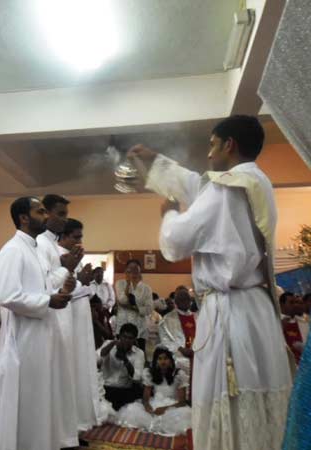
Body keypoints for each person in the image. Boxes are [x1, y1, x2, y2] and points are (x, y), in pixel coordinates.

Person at [128, 115, 291, 450]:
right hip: (256, 309)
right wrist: (156, 161)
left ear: (229, 144)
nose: (208, 153)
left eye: (213, 145)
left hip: (229, 314)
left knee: (229, 396)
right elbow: (197, 185)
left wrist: (168, 215)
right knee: (257, 397)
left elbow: (177, 241)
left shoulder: (227, 187)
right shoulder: (256, 181)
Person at [0, 196, 72, 450]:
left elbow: (43, 286)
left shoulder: (35, 250)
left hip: (41, 336)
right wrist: (48, 301)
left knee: (41, 401)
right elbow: (7, 295)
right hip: (23, 341)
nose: (46, 216)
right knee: (26, 402)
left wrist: (60, 289)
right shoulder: (13, 250)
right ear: (24, 218)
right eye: (40, 212)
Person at [37, 194, 81, 449]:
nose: (65, 220)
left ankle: (63, 434)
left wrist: (69, 272)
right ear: (46, 213)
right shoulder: (40, 244)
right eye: (61, 214)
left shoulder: (52, 244)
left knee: (63, 378)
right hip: (49, 314)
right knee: (53, 380)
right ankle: (55, 436)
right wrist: (67, 268)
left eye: (66, 214)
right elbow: (43, 284)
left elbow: (59, 280)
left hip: (61, 313)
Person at [58, 218, 103, 431]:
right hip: (68, 319)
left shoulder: (75, 258)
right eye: (76, 237)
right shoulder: (58, 256)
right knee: (71, 369)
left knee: (82, 367)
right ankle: (69, 425)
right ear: (63, 236)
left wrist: (83, 283)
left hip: (81, 319)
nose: (79, 241)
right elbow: (59, 291)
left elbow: (82, 289)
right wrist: (82, 283)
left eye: (81, 237)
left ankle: (79, 422)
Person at [116, 347, 191, 436]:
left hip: (172, 406)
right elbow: (145, 399)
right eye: (159, 359)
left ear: (171, 361)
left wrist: (165, 409)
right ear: (156, 361)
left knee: (183, 416)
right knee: (132, 409)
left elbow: (182, 402)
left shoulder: (178, 374)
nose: (163, 361)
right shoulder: (150, 374)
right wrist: (147, 407)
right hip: (155, 404)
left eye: (165, 358)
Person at [98, 323, 145, 411]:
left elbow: (137, 378)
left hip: (124, 392)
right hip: (105, 389)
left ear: (135, 339)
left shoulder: (139, 353)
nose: (126, 340)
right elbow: (98, 358)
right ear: (119, 336)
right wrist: (112, 344)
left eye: (130, 338)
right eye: (124, 337)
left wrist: (125, 359)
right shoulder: (109, 344)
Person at [115, 259, 153, 351]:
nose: (133, 271)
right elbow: (122, 300)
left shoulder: (146, 288)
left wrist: (134, 308)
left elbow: (149, 309)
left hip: (140, 328)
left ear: (140, 270)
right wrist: (128, 284)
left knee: (139, 354)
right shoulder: (120, 283)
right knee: (121, 355)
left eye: (136, 268)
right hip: (123, 326)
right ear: (126, 270)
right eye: (130, 268)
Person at [159, 286, 197, 377]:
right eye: (181, 299)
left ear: (190, 301)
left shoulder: (197, 317)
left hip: (197, 357)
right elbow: (164, 340)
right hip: (178, 359)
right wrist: (180, 349)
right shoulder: (167, 319)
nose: (185, 301)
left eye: (187, 299)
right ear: (176, 301)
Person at [280, 292, 308, 364]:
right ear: (282, 304)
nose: (294, 305)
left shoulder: (300, 321)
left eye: (295, 302)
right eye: (291, 302)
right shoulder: (277, 320)